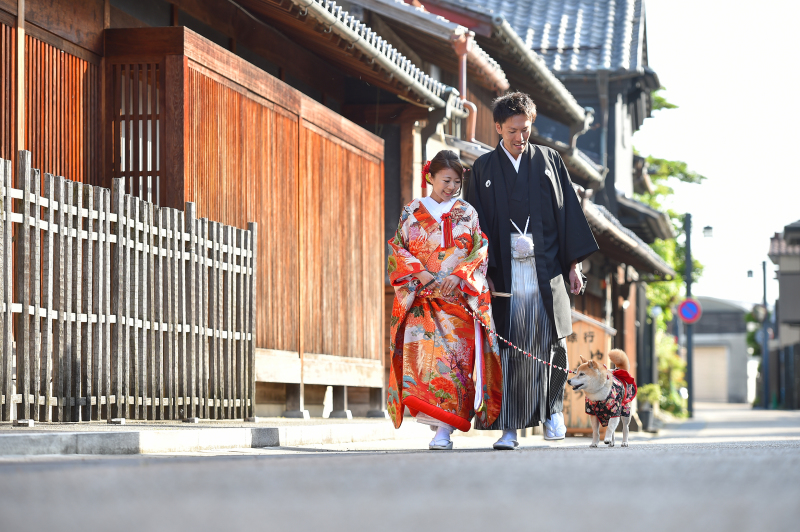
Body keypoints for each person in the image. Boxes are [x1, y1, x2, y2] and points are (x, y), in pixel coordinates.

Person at [467, 92, 599, 449]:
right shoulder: (483, 169)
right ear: (498, 127)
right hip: (505, 271)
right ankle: (509, 428)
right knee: (510, 349)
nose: (520, 137)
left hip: (545, 269)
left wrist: (573, 264)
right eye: (513, 130)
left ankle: (552, 410)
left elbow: (568, 214)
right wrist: (483, 271)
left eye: (526, 129)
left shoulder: (549, 160)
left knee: (551, 343)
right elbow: (474, 227)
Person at [386, 150, 503, 450]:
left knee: (454, 366)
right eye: (446, 180)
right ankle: (436, 424)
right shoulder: (412, 210)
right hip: (422, 299)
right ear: (430, 177)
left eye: (456, 182)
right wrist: (420, 273)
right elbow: (398, 247)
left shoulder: (468, 213)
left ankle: (444, 432)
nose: (451, 187)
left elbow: (480, 250)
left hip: (456, 303)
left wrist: (461, 276)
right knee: (423, 364)